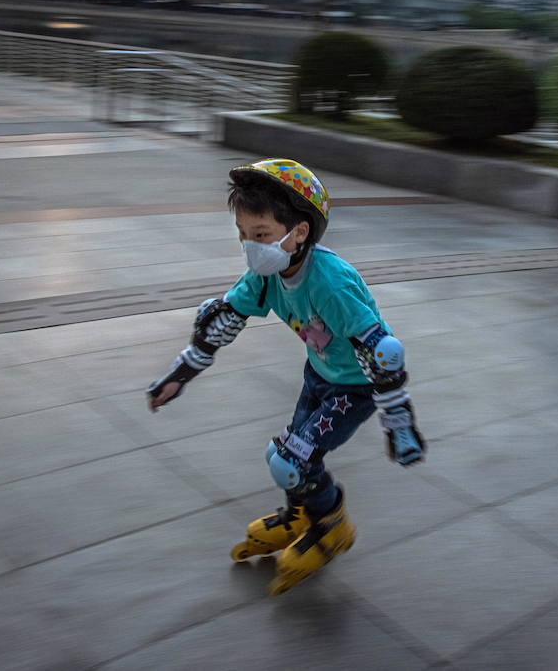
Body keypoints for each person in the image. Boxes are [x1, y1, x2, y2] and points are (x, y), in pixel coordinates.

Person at [146, 159, 426, 596]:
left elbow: (381, 352)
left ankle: (332, 525)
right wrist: (179, 375)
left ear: (299, 232)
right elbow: (222, 322)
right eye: (243, 234)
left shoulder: (330, 283)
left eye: (260, 235)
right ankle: (301, 514)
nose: (250, 246)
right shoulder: (267, 276)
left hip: (354, 389)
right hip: (318, 376)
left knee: (290, 462)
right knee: (290, 461)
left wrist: (399, 424)